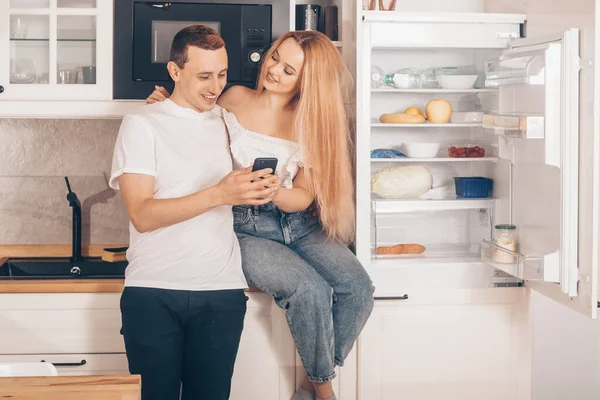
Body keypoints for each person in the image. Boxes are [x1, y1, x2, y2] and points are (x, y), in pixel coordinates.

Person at [148, 30, 375, 400]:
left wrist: (277, 192)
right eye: (275, 59)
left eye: (289, 70)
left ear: (307, 80)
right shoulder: (234, 98)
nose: (274, 71)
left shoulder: (309, 123)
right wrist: (166, 106)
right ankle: (324, 390)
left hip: (297, 224)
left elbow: (303, 197)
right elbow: (193, 109)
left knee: (359, 290)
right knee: (309, 289)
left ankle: (310, 382)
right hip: (245, 227)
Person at [110, 25, 279, 400]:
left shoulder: (228, 122)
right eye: (204, 76)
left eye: (222, 74)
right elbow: (142, 214)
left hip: (221, 292)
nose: (215, 86)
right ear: (174, 72)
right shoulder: (142, 124)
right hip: (153, 291)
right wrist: (219, 193)